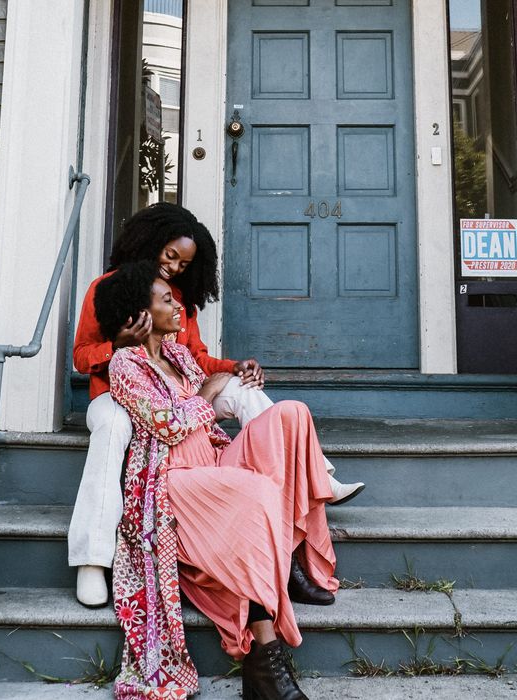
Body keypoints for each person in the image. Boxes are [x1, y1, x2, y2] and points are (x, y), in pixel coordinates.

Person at [69, 203, 363, 607]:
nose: (173, 267)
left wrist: (234, 367)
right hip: (115, 394)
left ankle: (313, 477)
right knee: (113, 428)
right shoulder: (109, 287)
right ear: (149, 242)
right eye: (169, 255)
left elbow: (197, 360)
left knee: (242, 391)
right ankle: (91, 560)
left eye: (184, 263)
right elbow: (81, 355)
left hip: (179, 395)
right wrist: (117, 346)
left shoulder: (179, 303)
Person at [97, 260, 337, 699]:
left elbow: (203, 410)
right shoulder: (125, 366)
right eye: (167, 299)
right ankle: (267, 664)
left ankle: (287, 553)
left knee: (292, 414)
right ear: (140, 314)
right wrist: (209, 391)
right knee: (256, 491)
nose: (178, 306)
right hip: (172, 479)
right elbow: (168, 425)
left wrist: (228, 378)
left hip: (211, 457)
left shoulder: (179, 356)